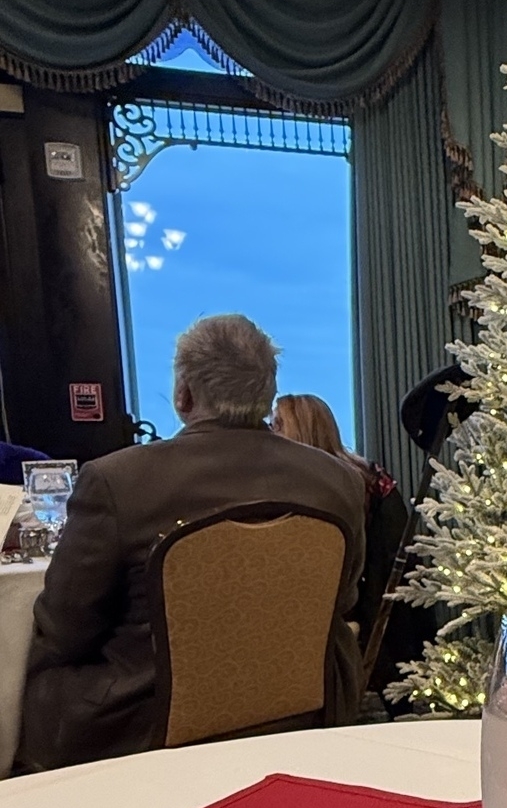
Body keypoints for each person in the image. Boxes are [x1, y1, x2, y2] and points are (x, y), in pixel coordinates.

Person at [20, 315, 366, 772]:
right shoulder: (338, 480)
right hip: (304, 707)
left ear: (183, 395)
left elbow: (66, 628)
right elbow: (343, 599)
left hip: (143, 725)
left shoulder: (115, 481)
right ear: (266, 393)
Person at [270, 393, 427, 692]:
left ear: (302, 430)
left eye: (277, 424)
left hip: (351, 604)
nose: (270, 433)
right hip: (373, 608)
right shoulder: (368, 476)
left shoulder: (323, 488)